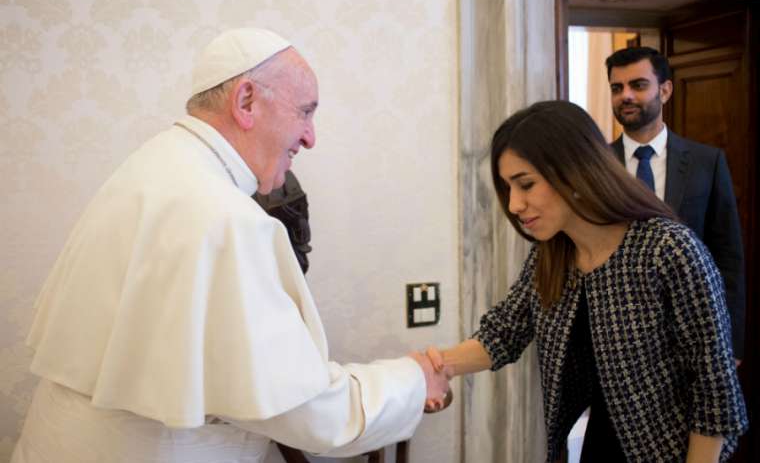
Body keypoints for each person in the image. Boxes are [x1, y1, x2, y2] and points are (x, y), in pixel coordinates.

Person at [11, 28, 449, 463]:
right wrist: (412, 381)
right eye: (305, 112)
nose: (310, 137)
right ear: (245, 102)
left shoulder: (149, 167)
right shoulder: (225, 218)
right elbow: (310, 413)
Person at [426, 101, 747, 462]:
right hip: (600, 444)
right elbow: (504, 332)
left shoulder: (667, 249)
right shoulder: (553, 255)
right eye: (508, 188)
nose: (514, 204)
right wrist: (433, 366)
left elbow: (715, 394)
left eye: (526, 184)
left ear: (574, 171)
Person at [606, 47, 746, 362]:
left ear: (665, 90)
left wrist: (732, 344)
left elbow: (728, 256)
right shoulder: (596, 166)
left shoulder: (706, 162)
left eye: (638, 85)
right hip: (617, 342)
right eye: (617, 88)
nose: (625, 95)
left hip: (693, 335)